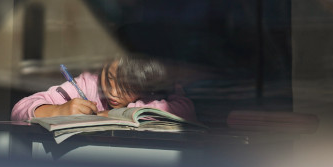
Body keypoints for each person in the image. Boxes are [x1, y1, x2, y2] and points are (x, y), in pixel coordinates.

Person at [11, 55, 196, 121]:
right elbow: (19, 108)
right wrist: (58, 110)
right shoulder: (89, 84)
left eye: (127, 87)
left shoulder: (159, 88)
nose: (113, 92)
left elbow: (185, 111)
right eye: (109, 78)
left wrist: (117, 114)